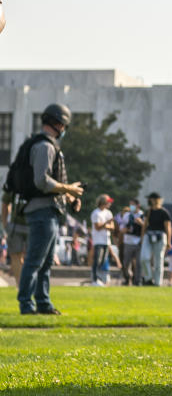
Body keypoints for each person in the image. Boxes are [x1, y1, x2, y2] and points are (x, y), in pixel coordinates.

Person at [17, 104, 84, 315]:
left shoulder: (49, 145)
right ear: (57, 123)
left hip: (50, 210)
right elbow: (42, 181)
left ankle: (43, 302)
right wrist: (68, 188)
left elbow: (50, 182)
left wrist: (69, 195)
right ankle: (27, 304)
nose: (64, 129)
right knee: (35, 260)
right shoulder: (44, 147)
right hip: (41, 211)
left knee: (45, 262)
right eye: (63, 124)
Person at [140, 192, 172, 286]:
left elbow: (168, 228)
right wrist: (142, 237)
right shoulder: (148, 211)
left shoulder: (164, 212)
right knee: (144, 258)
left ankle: (158, 282)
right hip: (148, 235)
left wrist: (169, 242)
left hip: (160, 236)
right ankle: (148, 277)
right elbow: (145, 225)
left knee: (158, 260)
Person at [1, 188, 29, 283]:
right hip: (33, 224)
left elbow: (5, 203)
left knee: (16, 257)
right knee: (29, 258)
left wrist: (6, 224)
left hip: (15, 225)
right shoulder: (36, 177)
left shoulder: (15, 176)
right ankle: (24, 286)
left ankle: (20, 286)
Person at [89, 194, 115, 286]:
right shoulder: (95, 213)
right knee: (97, 260)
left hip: (106, 241)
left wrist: (105, 225)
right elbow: (97, 227)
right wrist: (106, 223)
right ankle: (95, 279)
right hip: (98, 241)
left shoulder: (109, 213)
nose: (110, 204)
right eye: (108, 202)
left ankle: (99, 278)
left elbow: (112, 227)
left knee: (103, 261)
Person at [117, 198, 143, 286]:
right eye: (130, 205)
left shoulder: (142, 215)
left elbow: (146, 227)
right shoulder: (127, 215)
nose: (131, 207)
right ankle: (127, 278)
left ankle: (137, 280)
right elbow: (121, 227)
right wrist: (123, 230)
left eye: (133, 205)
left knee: (139, 263)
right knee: (126, 262)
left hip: (139, 241)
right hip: (128, 241)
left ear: (138, 205)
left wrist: (141, 223)